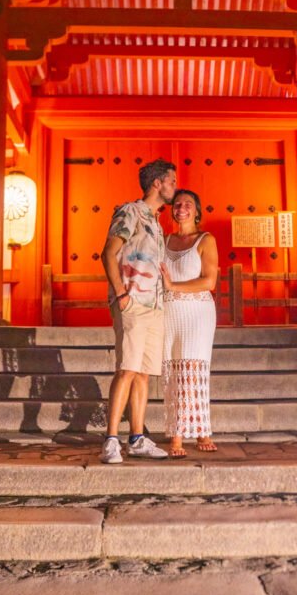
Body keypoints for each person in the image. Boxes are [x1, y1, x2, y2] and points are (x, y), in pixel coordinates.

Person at [99, 158, 177, 464]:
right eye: (170, 181)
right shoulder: (130, 212)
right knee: (127, 368)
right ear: (157, 183)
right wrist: (121, 292)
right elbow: (108, 251)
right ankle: (110, 440)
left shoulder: (156, 221)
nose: (173, 186)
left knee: (143, 373)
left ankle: (137, 438)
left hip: (154, 305)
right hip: (132, 300)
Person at [159, 188, 219, 458]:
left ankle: (202, 430)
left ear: (197, 211)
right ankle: (176, 432)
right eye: (178, 203)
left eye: (188, 204)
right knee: (174, 372)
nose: (181, 207)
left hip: (197, 312)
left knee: (193, 369)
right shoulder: (165, 240)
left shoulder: (205, 240)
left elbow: (209, 281)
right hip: (170, 312)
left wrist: (173, 285)